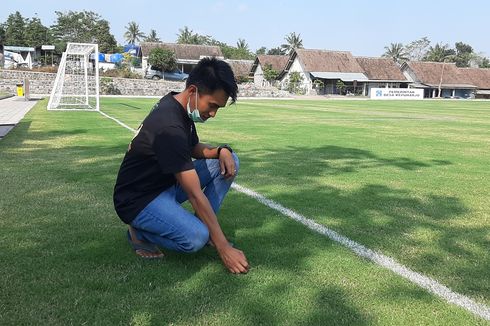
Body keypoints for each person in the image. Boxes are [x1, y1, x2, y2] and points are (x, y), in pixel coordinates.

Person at [113, 58, 249, 274]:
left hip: (163, 185)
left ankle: (205, 228)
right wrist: (224, 248)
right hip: (138, 199)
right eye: (212, 105)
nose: (213, 114)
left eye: (218, 108)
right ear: (193, 90)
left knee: (229, 160)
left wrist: (221, 150)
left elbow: (193, 147)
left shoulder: (178, 105)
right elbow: (195, 194)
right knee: (195, 238)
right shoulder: (170, 125)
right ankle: (138, 232)